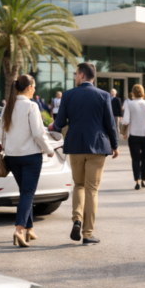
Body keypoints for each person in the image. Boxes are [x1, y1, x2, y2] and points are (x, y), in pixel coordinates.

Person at [51, 63, 119, 246]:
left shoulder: (67, 95)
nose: (75, 77)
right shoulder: (104, 95)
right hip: (97, 146)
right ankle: (88, 233)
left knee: (79, 185)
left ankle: (76, 220)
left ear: (81, 75)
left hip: (75, 146)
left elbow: (58, 124)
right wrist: (115, 144)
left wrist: (58, 127)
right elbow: (110, 123)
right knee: (92, 189)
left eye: (75, 74)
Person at [0, 75, 55, 248]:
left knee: (25, 192)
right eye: (35, 87)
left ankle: (29, 229)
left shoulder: (7, 107)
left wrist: (6, 149)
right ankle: (19, 229)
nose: (35, 90)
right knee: (27, 193)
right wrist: (50, 150)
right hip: (30, 157)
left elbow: (1, 135)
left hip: (12, 157)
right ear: (29, 87)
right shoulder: (31, 106)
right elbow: (39, 134)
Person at [122, 84, 145, 189]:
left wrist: (123, 131)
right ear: (142, 92)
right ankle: (144, 180)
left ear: (133, 92)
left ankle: (137, 180)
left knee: (135, 159)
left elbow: (126, 120)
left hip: (134, 134)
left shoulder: (129, 104)